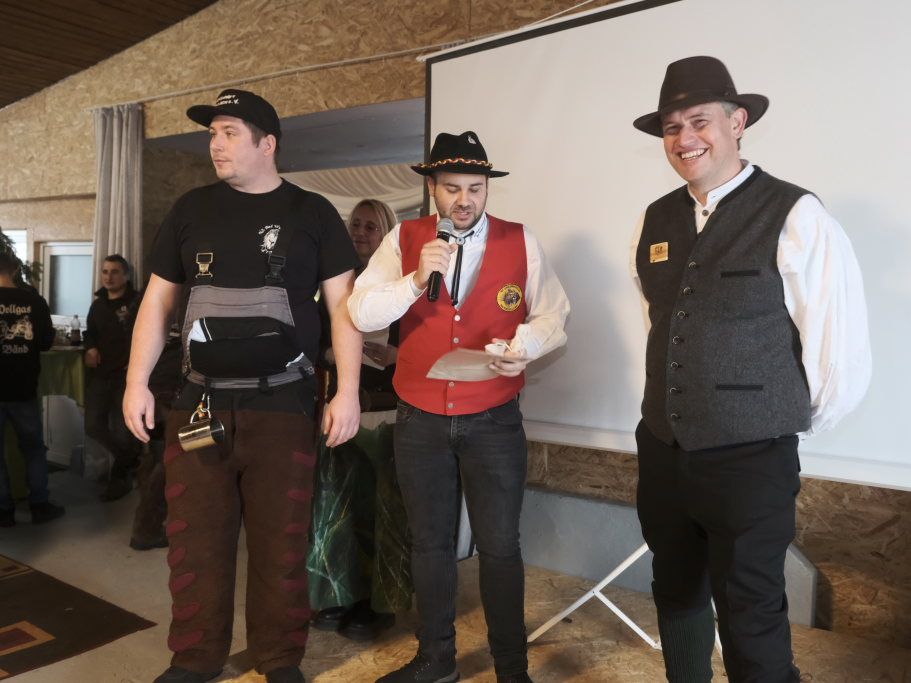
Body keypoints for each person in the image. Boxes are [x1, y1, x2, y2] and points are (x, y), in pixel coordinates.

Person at [629, 56, 872, 683]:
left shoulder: (796, 213)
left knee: (750, 611)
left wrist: (767, 421)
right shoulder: (654, 218)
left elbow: (838, 350)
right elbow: (663, 322)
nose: (685, 139)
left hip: (751, 459)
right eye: (672, 127)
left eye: (699, 121)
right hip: (663, 450)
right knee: (675, 588)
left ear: (737, 122)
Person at [122, 89, 362, 683]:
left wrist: (348, 391)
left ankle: (279, 658)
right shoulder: (190, 209)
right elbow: (157, 301)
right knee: (194, 541)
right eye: (213, 133)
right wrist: (136, 382)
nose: (216, 144)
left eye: (229, 132)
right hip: (197, 402)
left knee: (282, 542)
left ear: (267, 143)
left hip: (284, 404)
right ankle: (195, 658)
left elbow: (344, 310)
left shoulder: (313, 214)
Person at [349, 131, 570, 683]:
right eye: (452, 188)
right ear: (432, 188)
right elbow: (361, 312)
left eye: (476, 188)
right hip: (419, 417)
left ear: (487, 188)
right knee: (429, 543)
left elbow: (552, 315)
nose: (465, 200)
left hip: (494, 417)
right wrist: (414, 280)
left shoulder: (521, 240)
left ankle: (511, 667)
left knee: (500, 546)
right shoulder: (404, 238)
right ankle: (436, 658)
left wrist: (523, 348)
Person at [308, 198, 411, 642]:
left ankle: (379, 605)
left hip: (390, 415)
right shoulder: (333, 282)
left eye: (371, 226)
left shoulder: (406, 284)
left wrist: (397, 355)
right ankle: (337, 594)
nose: (361, 233)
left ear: (386, 233)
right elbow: (312, 339)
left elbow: (432, 348)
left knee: (383, 512)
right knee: (335, 507)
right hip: (341, 411)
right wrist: (330, 353)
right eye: (356, 224)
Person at [0, 247, 64, 527]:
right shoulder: (34, 301)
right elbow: (46, 342)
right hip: (23, 387)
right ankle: (39, 505)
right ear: (15, 269)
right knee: (34, 449)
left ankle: (3, 511)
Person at [84, 254, 141, 501]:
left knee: (123, 432)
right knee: (92, 425)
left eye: (115, 272)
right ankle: (133, 459)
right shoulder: (98, 305)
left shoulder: (137, 302)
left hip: (127, 378)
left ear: (126, 275)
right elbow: (90, 333)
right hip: (101, 375)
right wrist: (90, 348)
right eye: (105, 271)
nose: (109, 277)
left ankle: (119, 481)